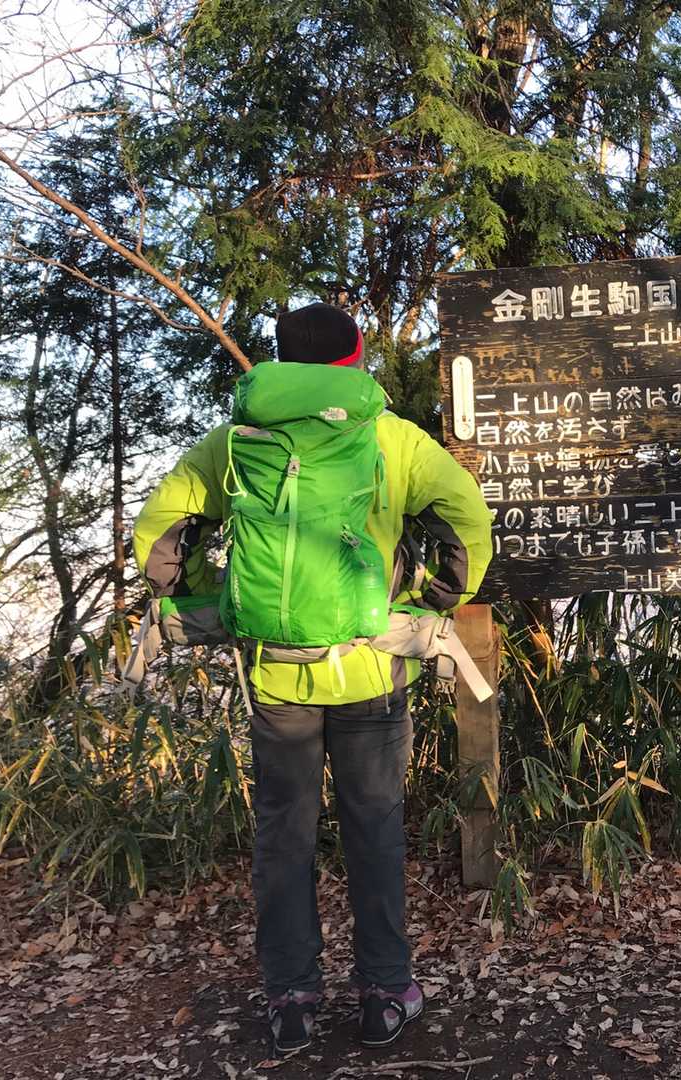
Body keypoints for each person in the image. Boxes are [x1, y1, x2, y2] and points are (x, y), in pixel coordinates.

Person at [133, 303, 492, 1055]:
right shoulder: (390, 437)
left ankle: (291, 998)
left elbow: (163, 535)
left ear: (283, 362)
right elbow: (464, 517)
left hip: (276, 676)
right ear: (355, 358)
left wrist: (205, 598)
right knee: (374, 828)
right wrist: (432, 600)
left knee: (284, 836)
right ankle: (385, 993)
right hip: (371, 671)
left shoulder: (234, 440)